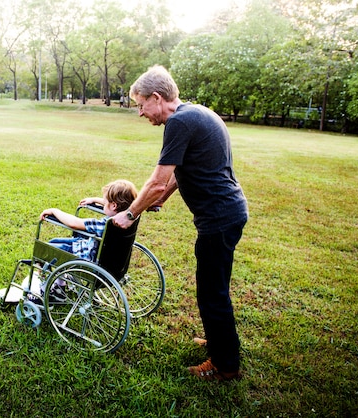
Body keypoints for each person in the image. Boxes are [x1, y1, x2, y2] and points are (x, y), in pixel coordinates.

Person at [113, 65, 248, 381]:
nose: (141, 113)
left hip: (219, 218)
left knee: (212, 293)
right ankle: (217, 342)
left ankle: (224, 365)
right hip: (228, 213)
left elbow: (158, 180)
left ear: (157, 98)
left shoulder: (178, 122)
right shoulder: (197, 114)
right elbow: (177, 174)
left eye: (141, 104)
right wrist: (162, 199)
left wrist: (130, 213)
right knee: (213, 287)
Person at [40, 179, 138, 263]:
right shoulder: (129, 220)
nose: (103, 203)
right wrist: (94, 199)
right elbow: (110, 205)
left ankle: (55, 281)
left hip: (85, 256)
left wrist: (54, 211)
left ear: (114, 205)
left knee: (46, 250)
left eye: (105, 202)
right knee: (54, 241)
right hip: (104, 257)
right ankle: (61, 280)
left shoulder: (105, 225)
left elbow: (73, 223)